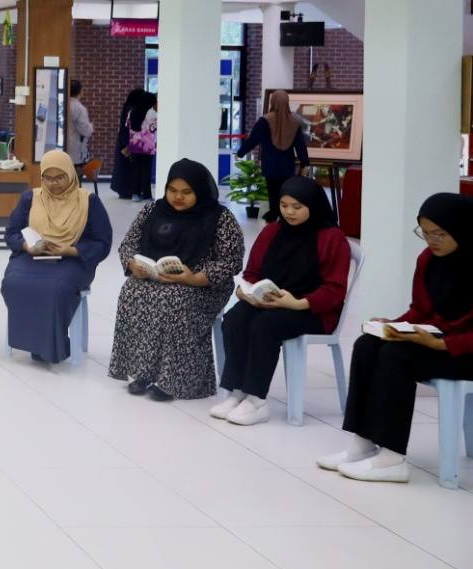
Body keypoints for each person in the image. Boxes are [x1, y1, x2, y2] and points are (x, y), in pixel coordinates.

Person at [318, 193, 473, 483]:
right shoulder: (428, 259)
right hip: (437, 341)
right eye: (425, 233)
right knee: (368, 344)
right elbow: (420, 311)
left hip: (464, 350)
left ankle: (392, 457)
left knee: (396, 355)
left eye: (440, 233)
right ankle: (362, 443)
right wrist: (394, 326)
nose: (432, 240)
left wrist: (441, 344)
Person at [213, 176, 349, 425]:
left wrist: (297, 303)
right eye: (284, 205)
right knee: (234, 318)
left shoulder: (332, 238)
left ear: (313, 205)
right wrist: (245, 291)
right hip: (270, 302)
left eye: (297, 207)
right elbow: (252, 273)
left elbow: (334, 290)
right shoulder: (272, 231)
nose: (289, 212)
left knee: (265, 325)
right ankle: (237, 391)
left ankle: (256, 399)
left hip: (312, 310)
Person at [108, 159, 243, 401]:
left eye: (186, 192)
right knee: (131, 291)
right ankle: (140, 372)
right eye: (172, 190)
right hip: (156, 277)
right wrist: (133, 265)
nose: (178, 197)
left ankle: (175, 381)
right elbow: (128, 244)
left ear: (200, 190)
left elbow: (231, 261)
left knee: (174, 299)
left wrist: (194, 278)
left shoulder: (219, 218)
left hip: (204, 285)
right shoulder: (153, 210)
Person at [0, 148, 113, 364]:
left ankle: (48, 343)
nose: (54, 183)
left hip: (72, 260)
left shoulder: (88, 201)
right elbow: (11, 233)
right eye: (48, 178)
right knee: (13, 283)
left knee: (57, 287)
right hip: (33, 256)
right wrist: (27, 246)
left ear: (70, 173)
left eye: (60, 177)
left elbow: (103, 242)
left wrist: (69, 250)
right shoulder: (30, 198)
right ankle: (35, 341)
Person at [237, 90, 310, 223]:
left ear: (273, 102)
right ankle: (284, 215)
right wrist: (304, 163)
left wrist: (240, 153)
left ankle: (273, 214)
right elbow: (300, 145)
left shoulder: (264, 120)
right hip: (287, 164)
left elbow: (253, 139)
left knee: (272, 190)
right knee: (286, 190)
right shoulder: (294, 122)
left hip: (270, 163)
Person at [110, 89, 158, 201]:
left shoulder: (130, 110)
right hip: (144, 145)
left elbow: (126, 127)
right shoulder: (148, 113)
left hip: (132, 144)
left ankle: (134, 193)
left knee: (134, 169)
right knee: (144, 169)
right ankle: (144, 193)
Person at [67, 79, 94, 171]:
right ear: (80, 92)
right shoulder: (80, 108)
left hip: (64, 147)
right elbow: (85, 130)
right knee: (76, 175)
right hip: (76, 148)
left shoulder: (65, 104)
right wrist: (91, 127)